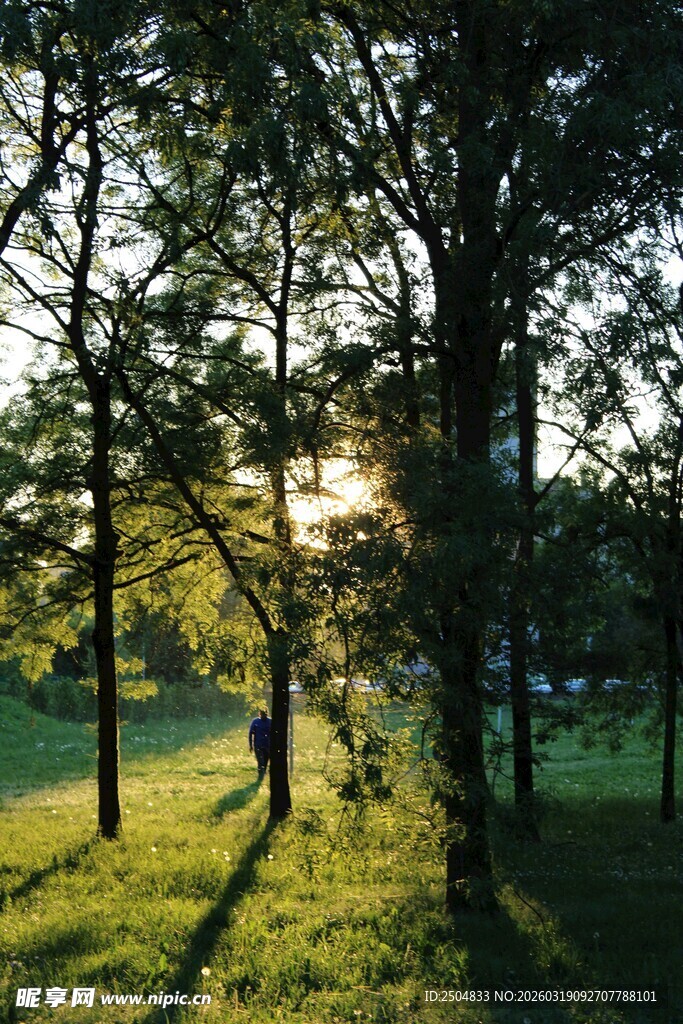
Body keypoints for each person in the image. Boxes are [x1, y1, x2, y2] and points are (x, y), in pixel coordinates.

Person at [248, 707, 271, 775]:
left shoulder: (270, 721)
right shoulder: (255, 721)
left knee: (265, 760)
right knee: (260, 761)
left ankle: (263, 773)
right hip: (259, 745)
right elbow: (250, 733)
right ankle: (261, 773)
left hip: (267, 745)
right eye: (262, 714)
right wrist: (251, 745)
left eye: (265, 714)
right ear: (260, 714)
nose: (263, 716)